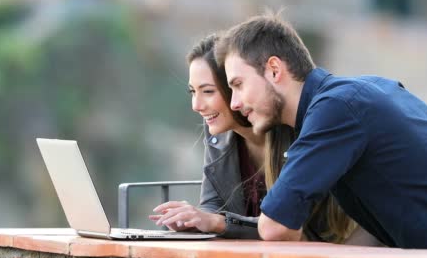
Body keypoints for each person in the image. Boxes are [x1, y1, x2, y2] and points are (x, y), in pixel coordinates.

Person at [215, 13, 427, 249]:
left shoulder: (336, 109)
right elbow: (379, 233)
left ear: (274, 70)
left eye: (238, 84)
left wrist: (220, 222)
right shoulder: (366, 90)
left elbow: (275, 226)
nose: (234, 103)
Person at [150, 34, 361, 243]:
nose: (196, 105)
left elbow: (290, 228)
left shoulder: (297, 130)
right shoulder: (218, 134)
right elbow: (212, 206)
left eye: (207, 91)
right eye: (192, 92)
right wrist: (192, 220)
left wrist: (219, 223)